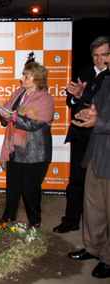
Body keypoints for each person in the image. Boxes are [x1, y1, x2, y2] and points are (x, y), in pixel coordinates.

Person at [53, 36, 110, 233]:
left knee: (98, 187)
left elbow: (100, 105)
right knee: (76, 181)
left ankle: (95, 229)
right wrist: (75, 97)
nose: (99, 59)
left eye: (104, 54)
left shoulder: (108, 76)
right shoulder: (84, 72)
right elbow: (70, 101)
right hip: (79, 134)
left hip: (101, 139)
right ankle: (70, 220)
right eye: (95, 55)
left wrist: (82, 96)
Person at [0, 62, 54, 228]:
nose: (22, 78)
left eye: (26, 76)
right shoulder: (18, 93)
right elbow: (6, 115)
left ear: (36, 79)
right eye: (23, 74)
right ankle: (8, 216)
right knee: (12, 186)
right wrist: (3, 115)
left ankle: (35, 221)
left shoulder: (45, 99)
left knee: (30, 189)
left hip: (35, 152)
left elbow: (33, 125)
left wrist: (13, 117)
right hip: (15, 147)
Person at [68, 54, 110, 279]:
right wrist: (84, 103)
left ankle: (108, 258)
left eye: (108, 55)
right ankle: (93, 248)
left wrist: (99, 121)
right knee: (93, 207)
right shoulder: (106, 80)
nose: (104, 60)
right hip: (96, 152)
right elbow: (96, 106)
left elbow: (102, 119)